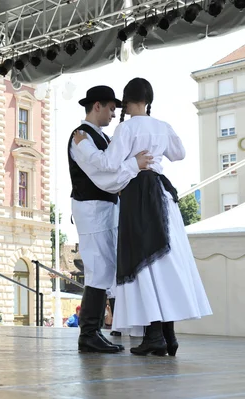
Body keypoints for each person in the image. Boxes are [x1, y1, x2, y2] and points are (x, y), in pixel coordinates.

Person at [73, 77, 212, 356]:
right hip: (162, 193)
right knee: (166, 261)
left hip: (139, 195)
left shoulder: (126, 128)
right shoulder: (162, 126)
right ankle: (166, 335)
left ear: (125, 101)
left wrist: (130, 159)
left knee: (144, 263)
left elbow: (110, 164)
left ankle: (155, 335)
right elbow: (180, 154)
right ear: (149, 100)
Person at [68, 85, 153, 353]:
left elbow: (109, 170)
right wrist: (132, 166)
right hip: (92, 209)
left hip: (104, 210)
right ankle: (89, 333)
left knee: (105, 271)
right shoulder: (81, 136)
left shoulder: (99, 137)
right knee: (98, 270)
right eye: (111, 108)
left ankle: (94, 332)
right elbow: (102, 169)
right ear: (97, 106)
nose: (115, 114)